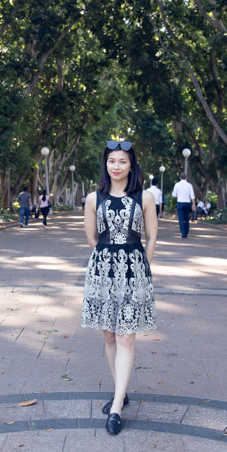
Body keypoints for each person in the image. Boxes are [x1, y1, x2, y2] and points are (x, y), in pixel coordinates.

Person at [81, 140, 158, 436]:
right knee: (110, 335)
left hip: (133, 269)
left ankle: (115, 407)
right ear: (106, 164)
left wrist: (142, 268)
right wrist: (109, 260)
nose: (116, 166)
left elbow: (151, 236)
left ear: (131, 165)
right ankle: (120, 392)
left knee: (127, 338)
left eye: (122, 161)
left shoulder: (145, 196)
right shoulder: (93, 198)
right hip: (102, 271)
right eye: (112, 161)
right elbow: (92, 238)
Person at [171, 173, 196, 238]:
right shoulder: (189, 185)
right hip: (187, 203)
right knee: (187, 218)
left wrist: (178, 195)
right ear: (186, 177)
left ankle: (183, 233)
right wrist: (193, 204)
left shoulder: (177, 185)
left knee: (181, 219)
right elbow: (192, 195)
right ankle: (186, 231)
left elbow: (174, 194)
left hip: (180, 202)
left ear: (180, 177)